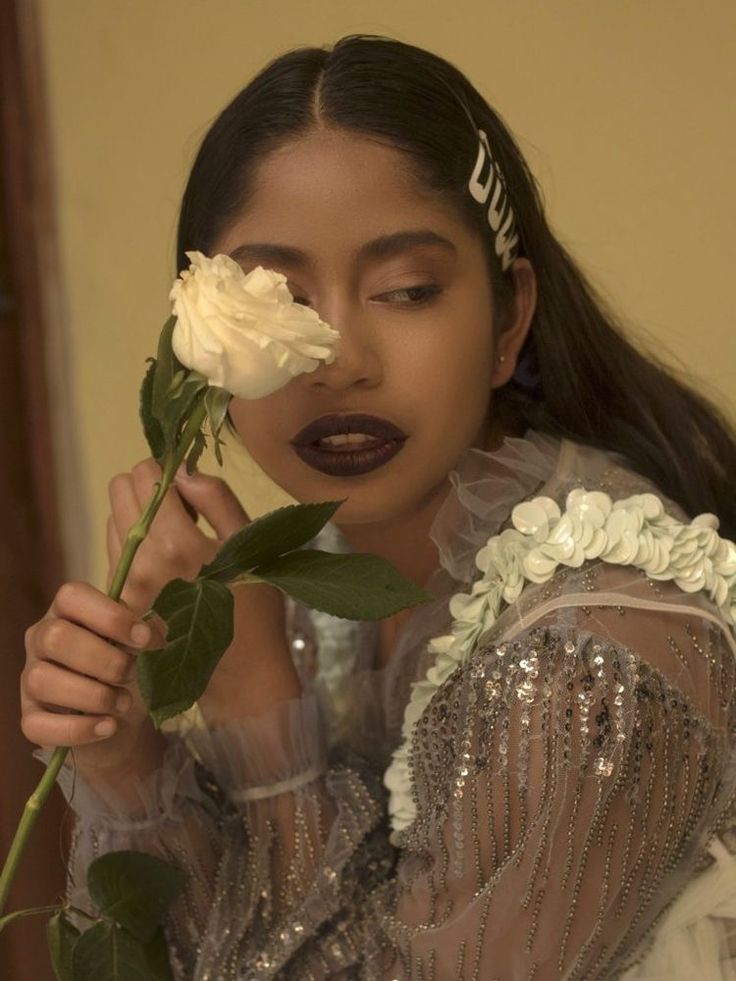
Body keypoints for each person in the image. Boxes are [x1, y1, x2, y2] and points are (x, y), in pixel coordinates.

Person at [20, 34, 736, 980]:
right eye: (277, 296)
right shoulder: (325, 595)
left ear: (507, 319)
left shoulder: (596, 655)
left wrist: (264, 726)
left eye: (406, 290)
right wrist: (123, 760)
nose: (341, 357)